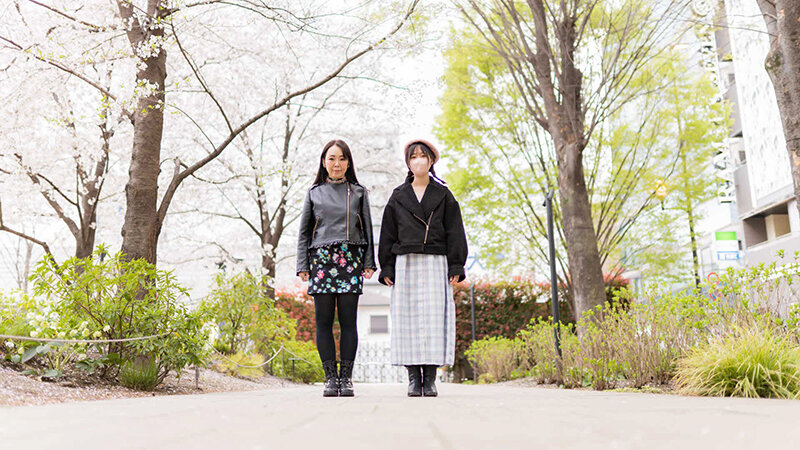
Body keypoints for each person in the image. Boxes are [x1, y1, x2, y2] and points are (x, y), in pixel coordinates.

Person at [377, 139, 468, 397]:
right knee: (407, 319)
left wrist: (456, 263)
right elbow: (387, 234)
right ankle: (412, 379)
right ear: (408, 162)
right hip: (405, 261)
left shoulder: (444, 196)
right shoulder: (397, 197)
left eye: (422, 156)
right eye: (413, 156)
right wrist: (387, 267)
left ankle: (429, 378)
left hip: (435, 261)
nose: (418, 160)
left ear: (431, 161)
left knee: (433, 319)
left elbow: (455, 231)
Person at [296, 139, 376, 397]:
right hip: (320, 261)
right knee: (323, 321)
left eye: (341, 158)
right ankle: (330, 379)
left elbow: (368, 229)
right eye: (331, 158)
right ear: (323, 162)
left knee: (348, 321)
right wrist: (302, 265)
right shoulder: (313, 193)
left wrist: (368, 262)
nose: (336, 163)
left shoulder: (359, 192)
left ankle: (347, 379)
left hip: (350, 259)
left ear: (348, 162)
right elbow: (304, 233)